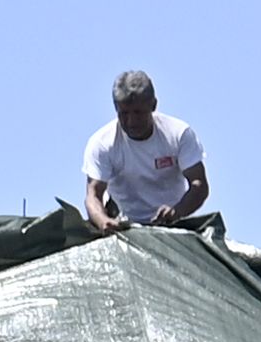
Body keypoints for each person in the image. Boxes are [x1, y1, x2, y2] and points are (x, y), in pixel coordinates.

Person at [82, 71, 210, 234]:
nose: (131, 122)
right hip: (123, 226)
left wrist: (177, 212)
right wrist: (103, 221)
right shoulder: (102, 143)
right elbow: (93, 194)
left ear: (153, 105)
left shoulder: (178, 134)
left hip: (174, 224)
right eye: (124, 113)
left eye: (138, 113)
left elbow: (199, 184)